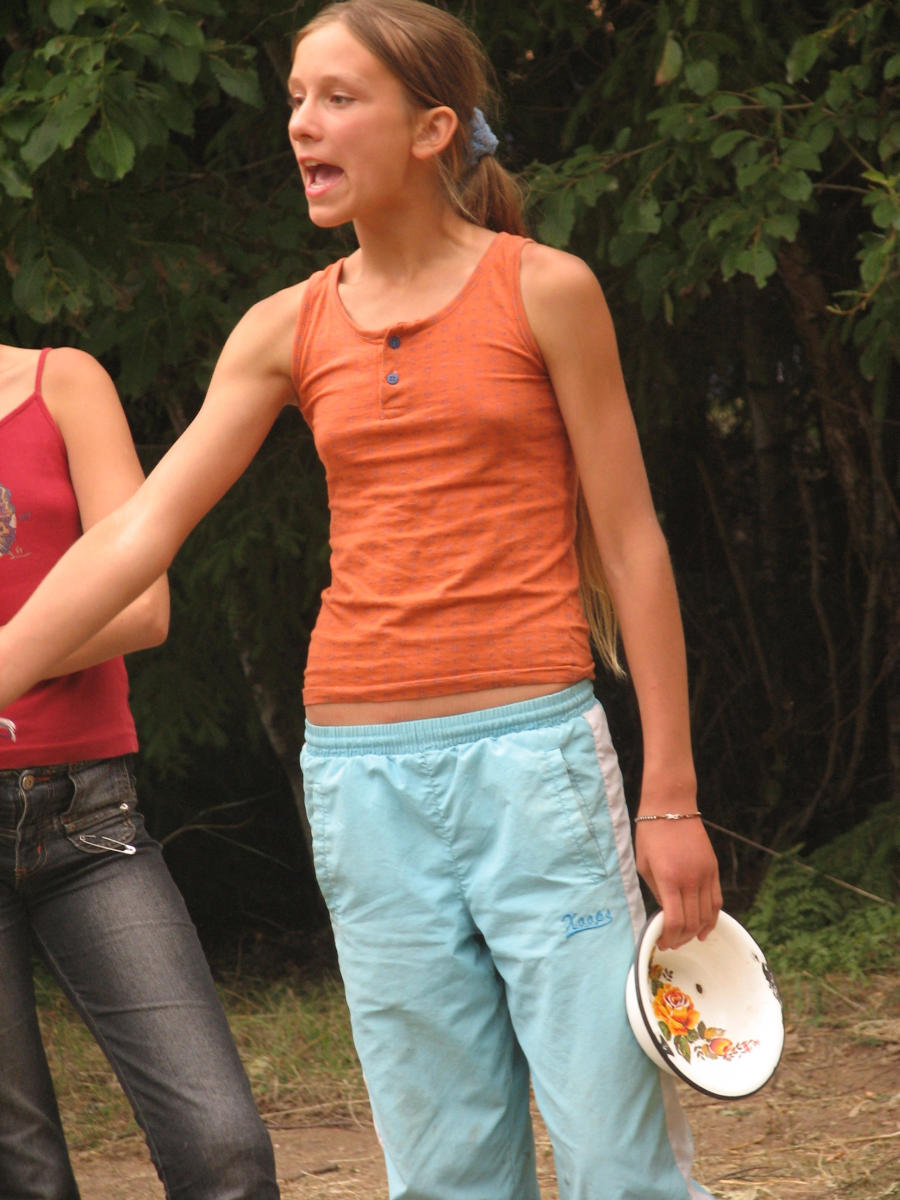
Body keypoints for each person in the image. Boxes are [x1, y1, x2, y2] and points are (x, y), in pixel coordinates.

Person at [0, 2, 723, 1196]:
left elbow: (633, 544)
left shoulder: (547, 291)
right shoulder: (284, 327)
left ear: (434, 129)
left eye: (338, 98)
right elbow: (137, 533)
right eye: (296, 98)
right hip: (358, 779)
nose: (302, 123)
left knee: (616, 1156)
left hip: (535, 760)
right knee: (442, 1168)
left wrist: (672, 796)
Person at [0, 344, 280, 1199]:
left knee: (224, 1152)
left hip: (85, 818)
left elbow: (143, 603)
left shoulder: (60, 383)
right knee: (23, 1174)